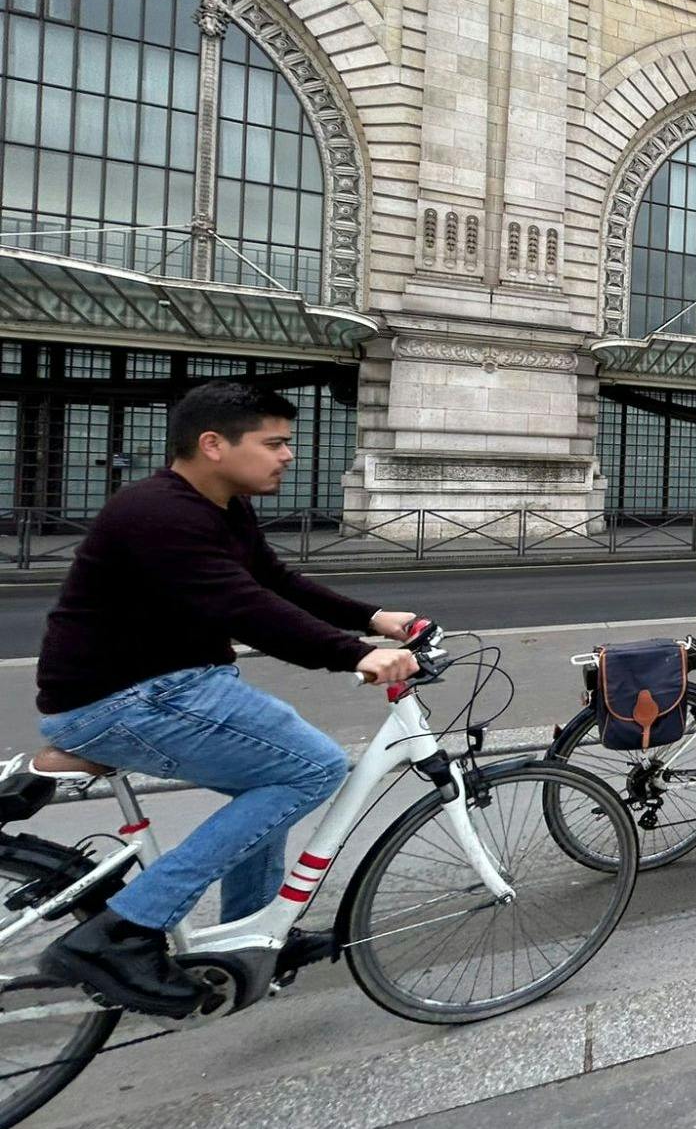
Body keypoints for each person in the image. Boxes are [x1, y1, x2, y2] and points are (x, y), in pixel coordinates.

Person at [33, 381, 421, 1017]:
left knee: (272, 778)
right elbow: (244, 608)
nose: (288, 455)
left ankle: (249, 933)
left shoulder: (222, 506)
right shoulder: (157, 514)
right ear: (213, 444)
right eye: (274, 443)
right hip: (126, 699)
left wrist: (372, 617)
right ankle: (122, 932)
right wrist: (354, 654)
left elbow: (272, 581)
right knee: (311, 768)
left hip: (171, 686)